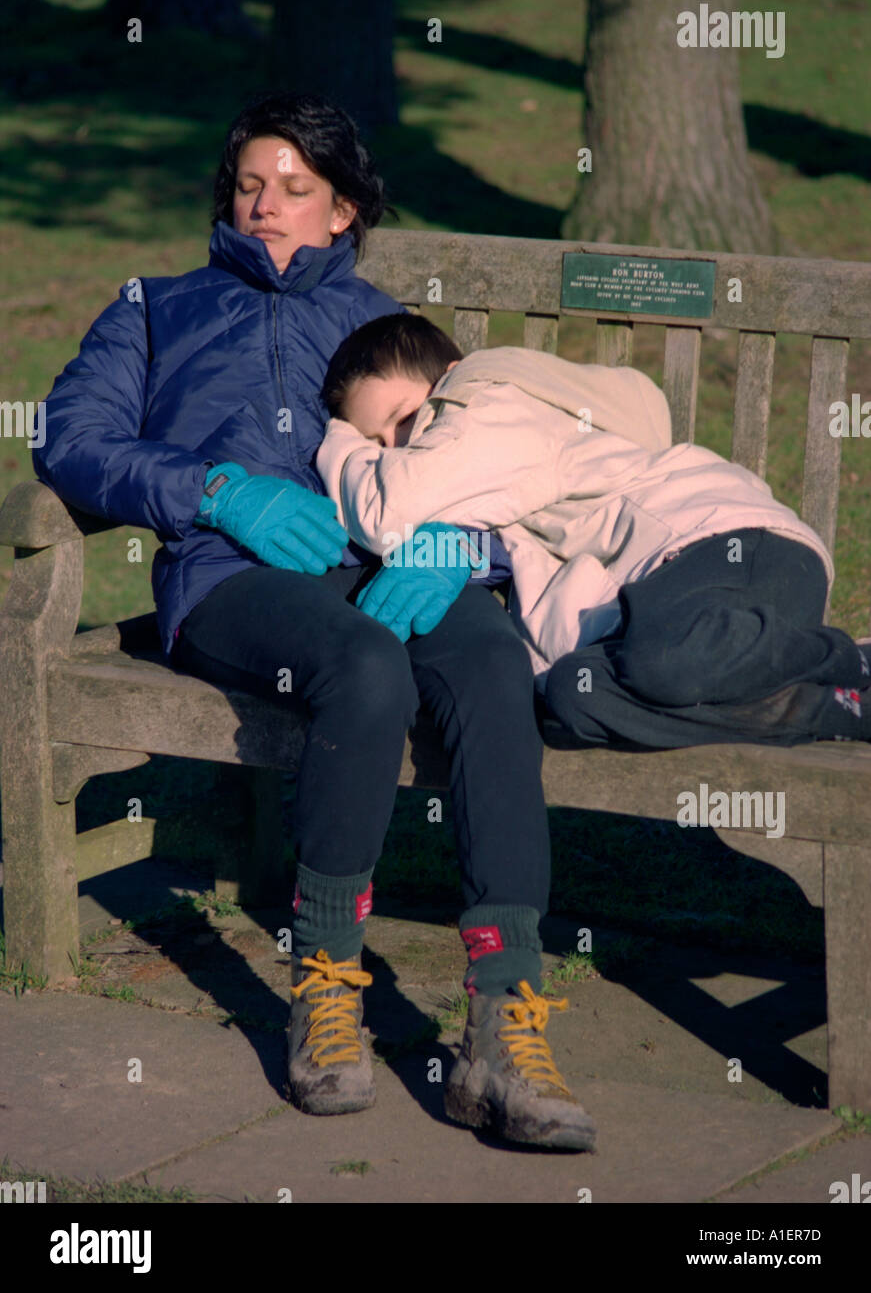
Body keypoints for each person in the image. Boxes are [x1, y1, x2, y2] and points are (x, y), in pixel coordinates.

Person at [31, 92, 596, 1153]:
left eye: (296, 188)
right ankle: (327, 980)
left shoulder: (387, 325)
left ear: (343, 209)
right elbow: (71, 441)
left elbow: (497, 459)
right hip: (230, 584)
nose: (267, 205)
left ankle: (502, 1021)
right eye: (250, 184)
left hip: (383, 568)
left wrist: (461, 548)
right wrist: (214, 490)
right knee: (364, 666)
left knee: (483, 655)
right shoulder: (155, 308)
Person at [317, 312, 871, 751]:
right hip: (679, 610)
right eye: (379, 444)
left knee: (662, 662)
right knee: (571, 698)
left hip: (734, 545)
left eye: (404, 418)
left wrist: (342, 441)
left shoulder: (485, 402)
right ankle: (833, 706)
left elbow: (392, 512)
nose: (398, 449)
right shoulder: (497, 488)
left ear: (447, 380)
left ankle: (850, 660)